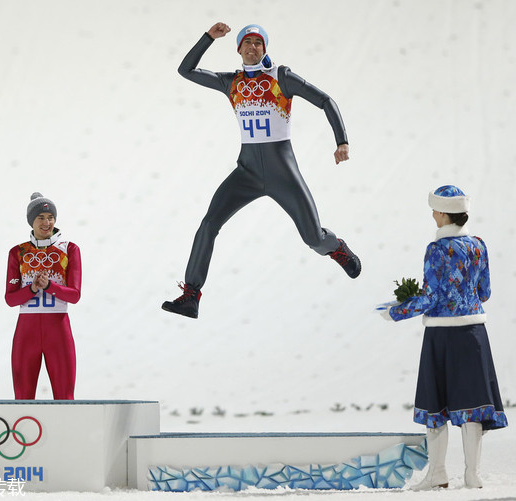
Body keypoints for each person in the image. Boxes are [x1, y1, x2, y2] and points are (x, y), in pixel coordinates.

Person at [162, 22, 361, 319]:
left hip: (283, 173)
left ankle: (336, 248)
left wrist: (341, 141)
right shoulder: (232, 82)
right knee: (208, 224)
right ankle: (191, 295)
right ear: (239, 48)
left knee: (312, 237)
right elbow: (186, 70)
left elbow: (325, 100)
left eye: (258, 43)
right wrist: (208, 38)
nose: (252, 47)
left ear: (265, 48)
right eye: (247, 42)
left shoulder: (281, 77)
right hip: (247, 173)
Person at [379, 185, 507, 490]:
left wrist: (396, 311)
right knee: (472, 405)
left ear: (443, 213)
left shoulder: (436, 250)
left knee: (435, 406)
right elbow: (485, 293)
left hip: (441, 336)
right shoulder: (479, 246)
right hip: (474, 334)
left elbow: (431, 297)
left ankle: (437, 473)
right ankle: (472, 474)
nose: (432, 214)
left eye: (434, 209)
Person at [5, 193, 81, 400]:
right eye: (41, 217)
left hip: (58, 329)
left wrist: (49, 286)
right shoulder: (18, 252)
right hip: (26, 332)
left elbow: (74, 296)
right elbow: (10, 299)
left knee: (65, 398)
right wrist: (31, 290)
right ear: (31, 221)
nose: (46, 223)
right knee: (22, 398)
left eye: (50, 217)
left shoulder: (69, 249)